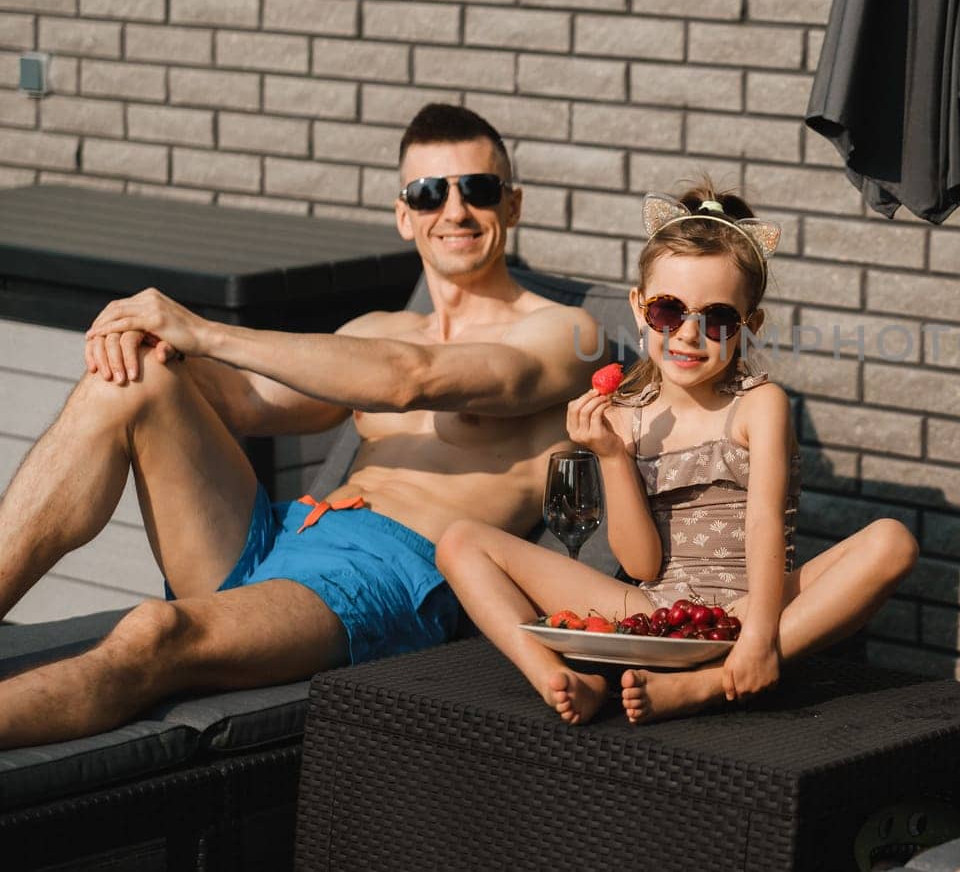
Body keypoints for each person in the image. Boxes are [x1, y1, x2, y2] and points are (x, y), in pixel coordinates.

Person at [0, 103, 596, 749]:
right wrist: (155, 347)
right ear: (404, 216)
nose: (453, 211)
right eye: (429, 194)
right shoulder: (374, 330)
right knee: (131, 378)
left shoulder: (563, 331)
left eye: (476, 189)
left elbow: (413, 378)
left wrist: (206, 330)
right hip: (280, 532)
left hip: (387, 570)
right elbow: (251, 398)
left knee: (152, 631)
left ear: (512, 205)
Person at [437, 181, 919, 726]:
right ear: (640, 310)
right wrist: (612, 457)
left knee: (891, 542)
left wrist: (758, 633)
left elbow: (765, 526)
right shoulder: (626, 413)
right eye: (669, 311)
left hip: (748, 607)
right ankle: (559, 674)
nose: (688, 335)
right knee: (460, 542)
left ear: (747, 327)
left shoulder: (760, 405)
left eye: (715, 319)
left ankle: (710, 685)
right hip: (652, 611)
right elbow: (642, 564)